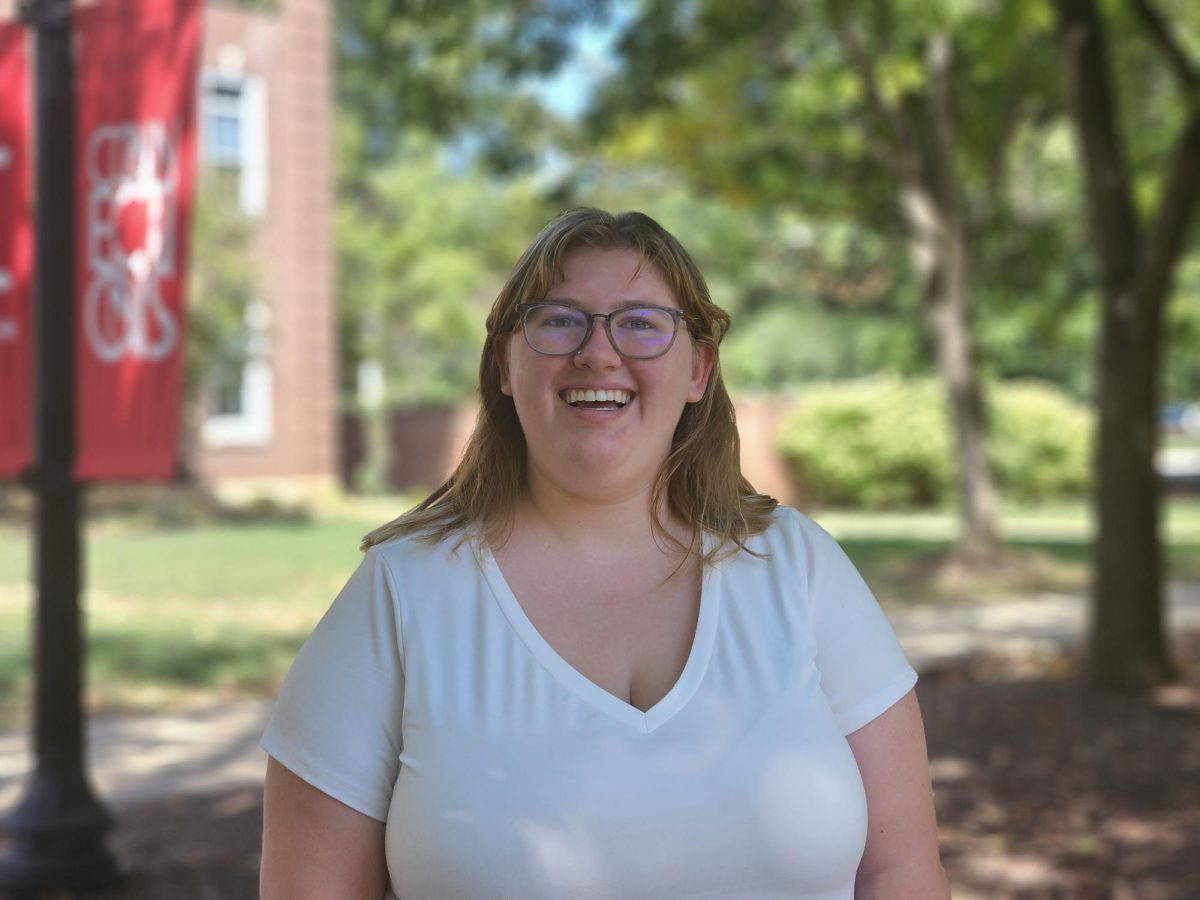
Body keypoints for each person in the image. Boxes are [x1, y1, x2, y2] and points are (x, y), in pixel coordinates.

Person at [259, 208, 949, 899]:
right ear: (504, 362)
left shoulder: (800, 571)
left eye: (642, 323)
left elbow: (900, 873)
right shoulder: (400, 595)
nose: (598, 352)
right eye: (559, 320)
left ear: (698, 370)